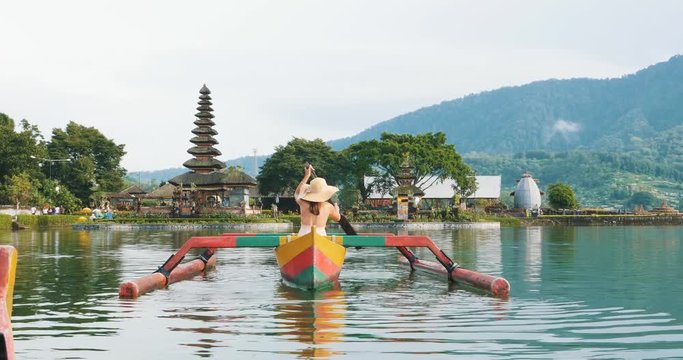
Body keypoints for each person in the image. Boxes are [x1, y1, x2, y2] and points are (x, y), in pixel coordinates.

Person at [294, 164, 341, 236]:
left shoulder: (303, 203)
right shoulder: (328, 206)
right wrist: (336, 209)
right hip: (321, 236)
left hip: (303, 235)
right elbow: (338, 218)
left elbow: (297, 193)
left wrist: (307, 175)